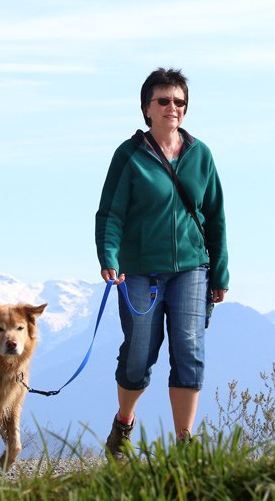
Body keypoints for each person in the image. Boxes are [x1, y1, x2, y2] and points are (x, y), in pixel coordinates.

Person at [95, 67, 229, 458]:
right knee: (139, 353)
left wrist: (219, 273)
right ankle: (123, 424)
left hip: (192, 268)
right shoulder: (129, 155)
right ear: (146, 109)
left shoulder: (201, 155)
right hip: (139, 270)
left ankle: (185, 443)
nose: (173, 108)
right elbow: (110, 214)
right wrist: (109, 256)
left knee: (189, 349)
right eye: (164, 101)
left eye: (180, 102)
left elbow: (216, 217)